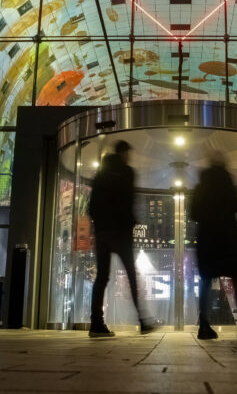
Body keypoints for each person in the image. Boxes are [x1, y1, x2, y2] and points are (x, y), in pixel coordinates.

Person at [87, 139, 155, 337]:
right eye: (128, 154)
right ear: (124, 153)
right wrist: (130, 223)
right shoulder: (127, 172)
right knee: (131, 276)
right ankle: (142, 320)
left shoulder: (100, 174)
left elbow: (92, 205)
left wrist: (98, 225)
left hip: (102, 233)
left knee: (101, 278)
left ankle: (96, 324)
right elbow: (128, 200)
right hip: (120, 232)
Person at [189, 150, 237, 340]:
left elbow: (193, 214)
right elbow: (235, 204)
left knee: (206, 281)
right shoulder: (226, 181)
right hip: (228, 238)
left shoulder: (200, 186)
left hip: (207, 239)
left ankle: (204, 325)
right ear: (223, 164)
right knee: (236, 279)